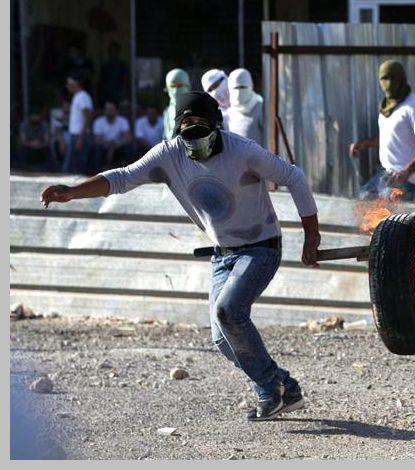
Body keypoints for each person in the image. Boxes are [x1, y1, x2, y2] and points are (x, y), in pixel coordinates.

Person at [41, 91, 321, 422]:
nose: (194, 137)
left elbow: (293, 176)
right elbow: (123, 177)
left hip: (261, 247)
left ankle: (271, 388)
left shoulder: (242, 151)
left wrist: (311, 235)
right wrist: (73, 192)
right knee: (222, 339)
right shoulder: (169, 154)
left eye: (201, 127)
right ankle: (284, 387)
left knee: (229, 310)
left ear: (216, 126)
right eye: (187, 128)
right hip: (222, 254)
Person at [349, 61, 415, 202]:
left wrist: (407, 171)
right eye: (385, 78)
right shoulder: (386, 106)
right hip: (385, 175)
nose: (389, 83)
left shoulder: (413, 106)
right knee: (361, 200)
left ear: (402, 79)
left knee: (389, 211)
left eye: (394, 78)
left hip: (408, 181)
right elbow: (389, 136)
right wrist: (364, 144)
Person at [62, 75, 94, 174]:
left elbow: (88, 117)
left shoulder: (83, 97)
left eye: (69, 84)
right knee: (72, 166)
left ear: (76, 83)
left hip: (79, 135)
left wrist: (81, 137)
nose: (67, 86)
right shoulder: (77, 97)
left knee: (73, 167)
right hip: (75, 135)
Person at [227, 68, 265, 145]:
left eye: (242, 87)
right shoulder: (229, 113)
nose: (238, 92)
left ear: (250, 86)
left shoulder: (260, 107)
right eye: (235, 88)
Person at [92, 102, 132, 170]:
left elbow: (128, 138)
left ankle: (127, 172)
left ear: (116, 111)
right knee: (96, 149)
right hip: (104, 146)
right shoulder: (98, 122)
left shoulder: (123, 121)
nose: (108, 112)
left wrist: (113, 147)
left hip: (118, 146)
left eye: (111, 109)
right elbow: (97, 140)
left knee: (129, 148)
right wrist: (109, 146)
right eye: (107, 109)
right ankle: (97, 172)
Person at [163, 68, 190, 140]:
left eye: (179, 86)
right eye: (172, 86)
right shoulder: (167, 111)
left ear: (188, 87)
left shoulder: (194, 109)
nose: (175, 91)